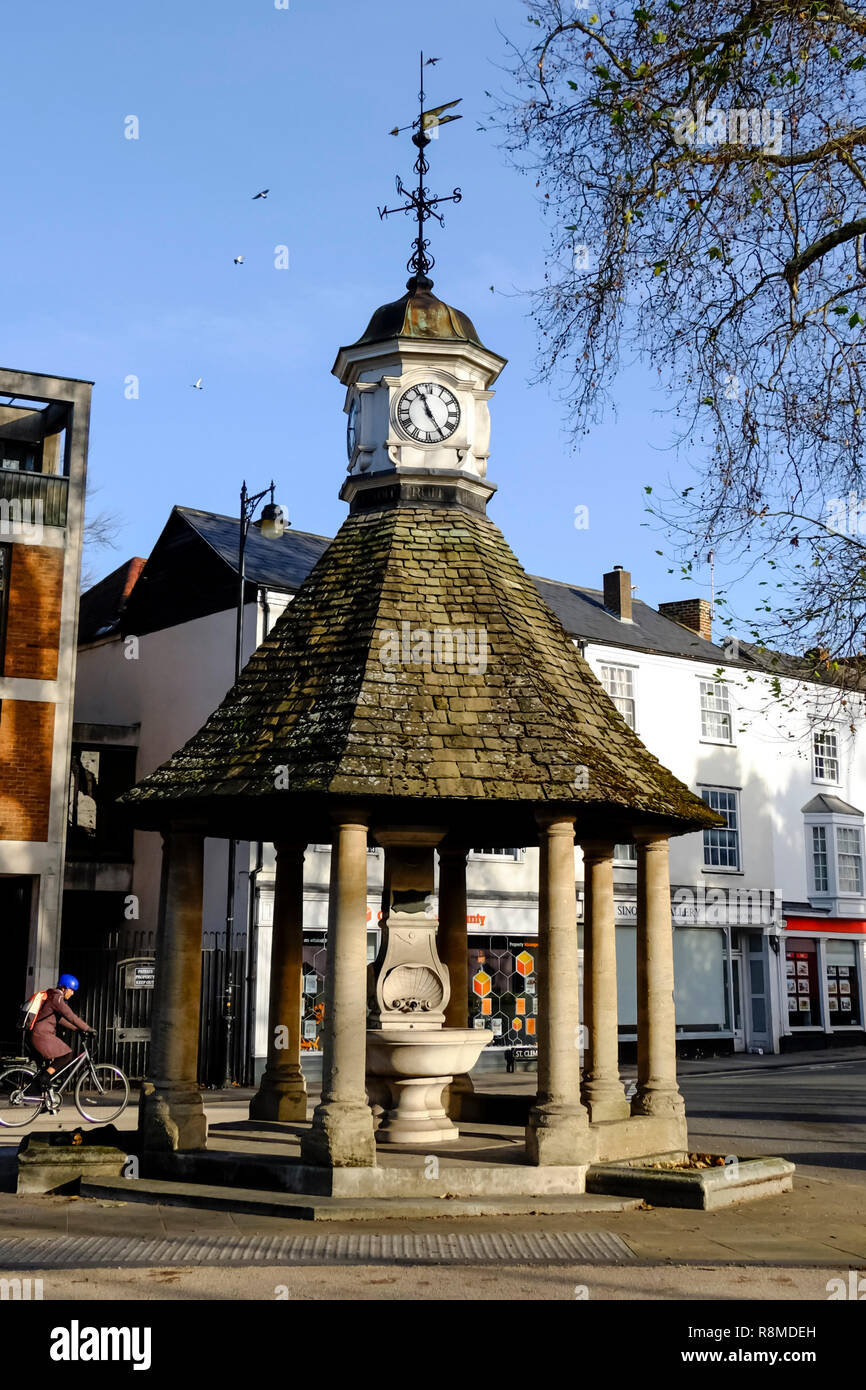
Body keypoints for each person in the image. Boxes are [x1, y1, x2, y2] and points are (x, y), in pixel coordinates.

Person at [27, 975, 95, 1094]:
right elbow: (70, 1016)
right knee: (67, 1054)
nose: (72, 993)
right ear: (64, 988)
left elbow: (60, 1020)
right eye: (71, 990)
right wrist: (88, 1028)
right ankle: (44, 1079)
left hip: (39, 1035)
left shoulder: (53, 997)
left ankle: (45, 1099)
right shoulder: (57, 999)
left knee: (48, 1069)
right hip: (42, 1036)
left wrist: (77, 1029)